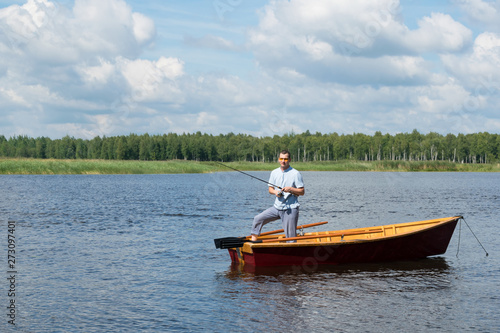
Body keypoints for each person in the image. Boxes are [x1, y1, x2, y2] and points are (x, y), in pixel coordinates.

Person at [251, 150, 305, 242]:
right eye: (281, 158)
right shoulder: (274, 172)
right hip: (276, 208)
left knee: (290, 238)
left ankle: (291, 252)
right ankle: (253, 244)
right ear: (279, 159)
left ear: (290, 160)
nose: (283, 161)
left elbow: (302, 191)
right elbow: (270, 189)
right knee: (257, 219)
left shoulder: (295, 173)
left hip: (290, 209)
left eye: (285, 159)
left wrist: (291, 189)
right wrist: (275, 192)